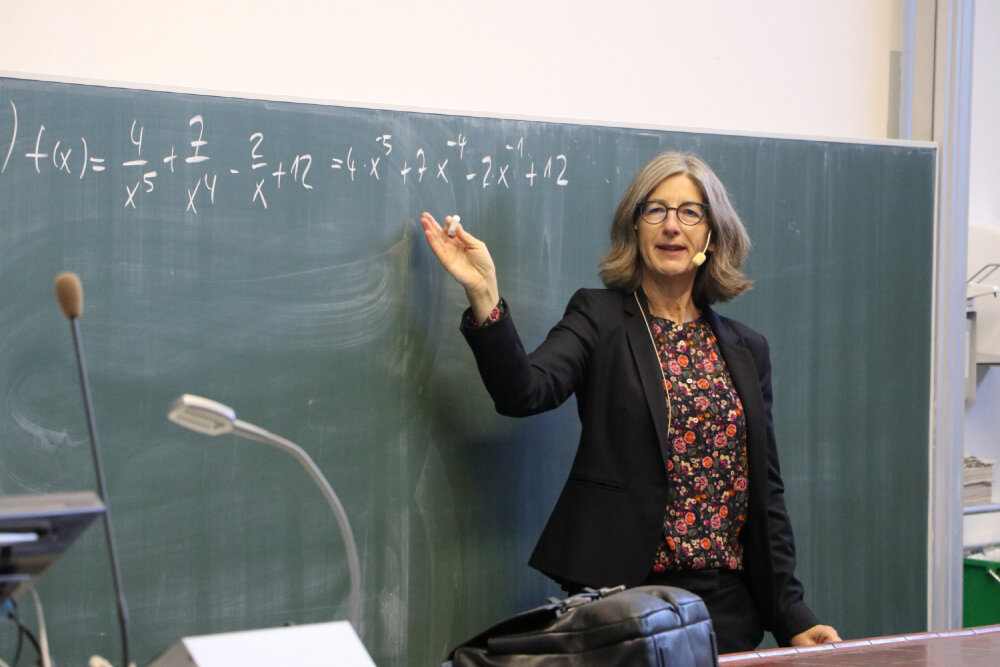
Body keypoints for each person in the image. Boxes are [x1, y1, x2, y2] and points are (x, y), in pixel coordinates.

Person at [419, 151, 839, 653]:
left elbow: (764, 497)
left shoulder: (747, 349)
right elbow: (523, 391)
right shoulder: (598, 317)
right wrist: (484, 292)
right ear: (635, 227)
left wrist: (792, 615)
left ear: (712, 232)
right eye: (655, 210)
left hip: (727, 604)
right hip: (624, 598)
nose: (671, 225)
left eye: (690, 212)